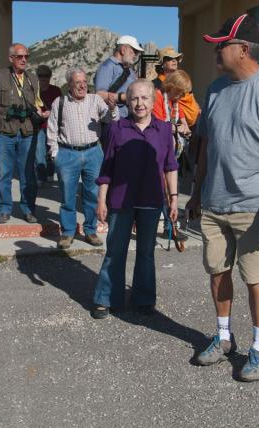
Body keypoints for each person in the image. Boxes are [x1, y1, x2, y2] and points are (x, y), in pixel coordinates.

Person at [186, 14, 259, 382]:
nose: (216, 51)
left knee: (255, 277)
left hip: (254, 206)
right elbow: (206, 145)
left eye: (222, 44)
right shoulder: (215, 89)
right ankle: (223, 338)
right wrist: (196, 193)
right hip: (214, 204)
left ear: (243, 49)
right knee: (217, 272)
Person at [92, 79, 179, 319]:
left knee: (146, 252)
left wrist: (173, 198)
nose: (139, 103)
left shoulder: (164, 130)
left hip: (151, 200)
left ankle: (144, 299)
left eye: (144, 98)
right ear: (128, 102)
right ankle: (106, 298)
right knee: (115, 251)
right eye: (134, 98)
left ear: (153, 101)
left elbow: (171, 166)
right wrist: (101, 200)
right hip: (121, 201)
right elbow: (107, 168)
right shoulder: (116, 129)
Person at [47, 68, 118, 250]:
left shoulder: (95, 100)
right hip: (67, 153)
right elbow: (52, 129)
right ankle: (68, 232)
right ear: (69, 84)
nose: (82, 86)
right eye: (77, 82)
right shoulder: (59, 102)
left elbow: (111, 120)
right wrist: (55, 154)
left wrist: (112, 108)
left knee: (92, 194)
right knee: (67, 196)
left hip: (93, 152)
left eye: (84, 81)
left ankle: (90, 230)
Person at [0, 43, 44, 224]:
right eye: (19, 56)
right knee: (4, 174)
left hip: (28, 132)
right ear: (11, 58)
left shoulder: (33, 79)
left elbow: (37, 104)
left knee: (28, 174)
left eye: (26, 56)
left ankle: (28, 209)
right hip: (3, 132)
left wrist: (42, 113)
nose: (24, 60)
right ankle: (4, 209)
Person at [152, 69, 196, 242]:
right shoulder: (157, 97)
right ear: (173, 87)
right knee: (161, 192)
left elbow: (184, 122)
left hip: (172, 153)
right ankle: (166, 228)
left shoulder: (175, 103)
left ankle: (170, 228)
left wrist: (184, 128)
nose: (182, 96)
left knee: (172, 192)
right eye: (181, 92)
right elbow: (159, 123)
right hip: (157, 152)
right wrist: (178, 128)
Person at [95, 35, 144, 118]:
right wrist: (123, 97)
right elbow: (99, 95)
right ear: (123, 49)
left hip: (128, 118)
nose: (136, 55)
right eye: (134, 51)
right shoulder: (107, 66)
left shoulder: (130, 71)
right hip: (111, 119)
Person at [152, 46, 200, 130]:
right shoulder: (155, 85)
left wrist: (198, 110)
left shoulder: (182, 80)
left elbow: (190, 99)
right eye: (170, 58)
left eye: (176, 58)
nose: (174, 60)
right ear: (162, 64)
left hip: (190, 125)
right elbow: (159, 119)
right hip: (171, 128)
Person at [34, 65, 61, 186]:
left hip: (53, 126)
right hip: (39, 126)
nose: (43, 78)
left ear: (50, 77)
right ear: (37, 77)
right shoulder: (34, 91)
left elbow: (61, 106)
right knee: (40, 154)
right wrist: (39, 113)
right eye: (41, 75)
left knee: (52, 152)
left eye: (46, 75)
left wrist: (52, 112)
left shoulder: (56, 91)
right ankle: (41, 178)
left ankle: (50, 174)